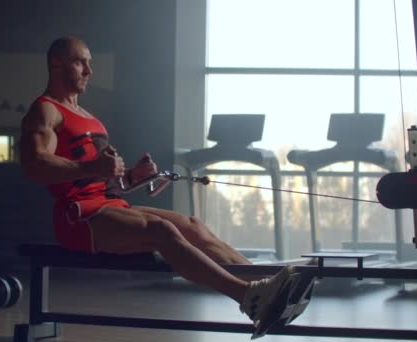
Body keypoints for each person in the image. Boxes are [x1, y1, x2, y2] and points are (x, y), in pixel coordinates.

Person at [20, 35, 307, 339]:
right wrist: (93, 167)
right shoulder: (46, 110)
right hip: (78, 218)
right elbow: (34, 166)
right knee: (162, 231)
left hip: (108, 206)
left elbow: (106, 181)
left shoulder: (90, 118)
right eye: (80, 62)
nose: (89, 71)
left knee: (192, 225)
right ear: (57, 63)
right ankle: (249, 298)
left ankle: (270, 285)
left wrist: (133, 176)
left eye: (90, 63)